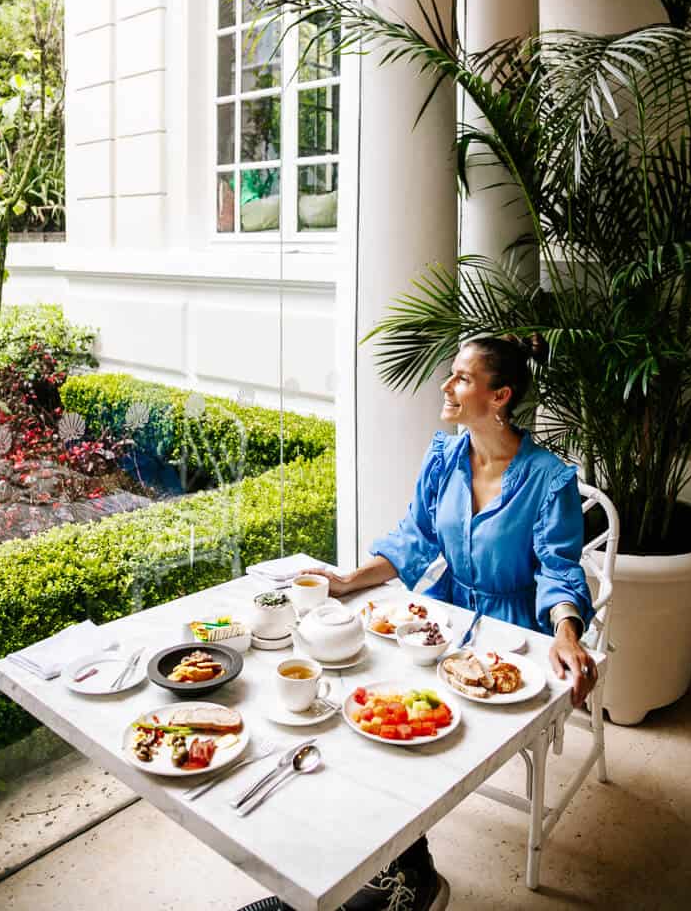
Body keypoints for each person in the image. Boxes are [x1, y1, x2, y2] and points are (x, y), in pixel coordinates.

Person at [239, 335, 597, 911]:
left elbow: (558, 569)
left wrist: (566, 633)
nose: (445, 385)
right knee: (359, 708)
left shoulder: (548, 479)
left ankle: (402, 879)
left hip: (512, 641)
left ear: (499, 395)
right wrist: (351, 579)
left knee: (405, 737)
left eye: (461, 377)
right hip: (442, 621)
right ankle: (340, 878)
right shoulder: (446, 457)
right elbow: (415, 536)